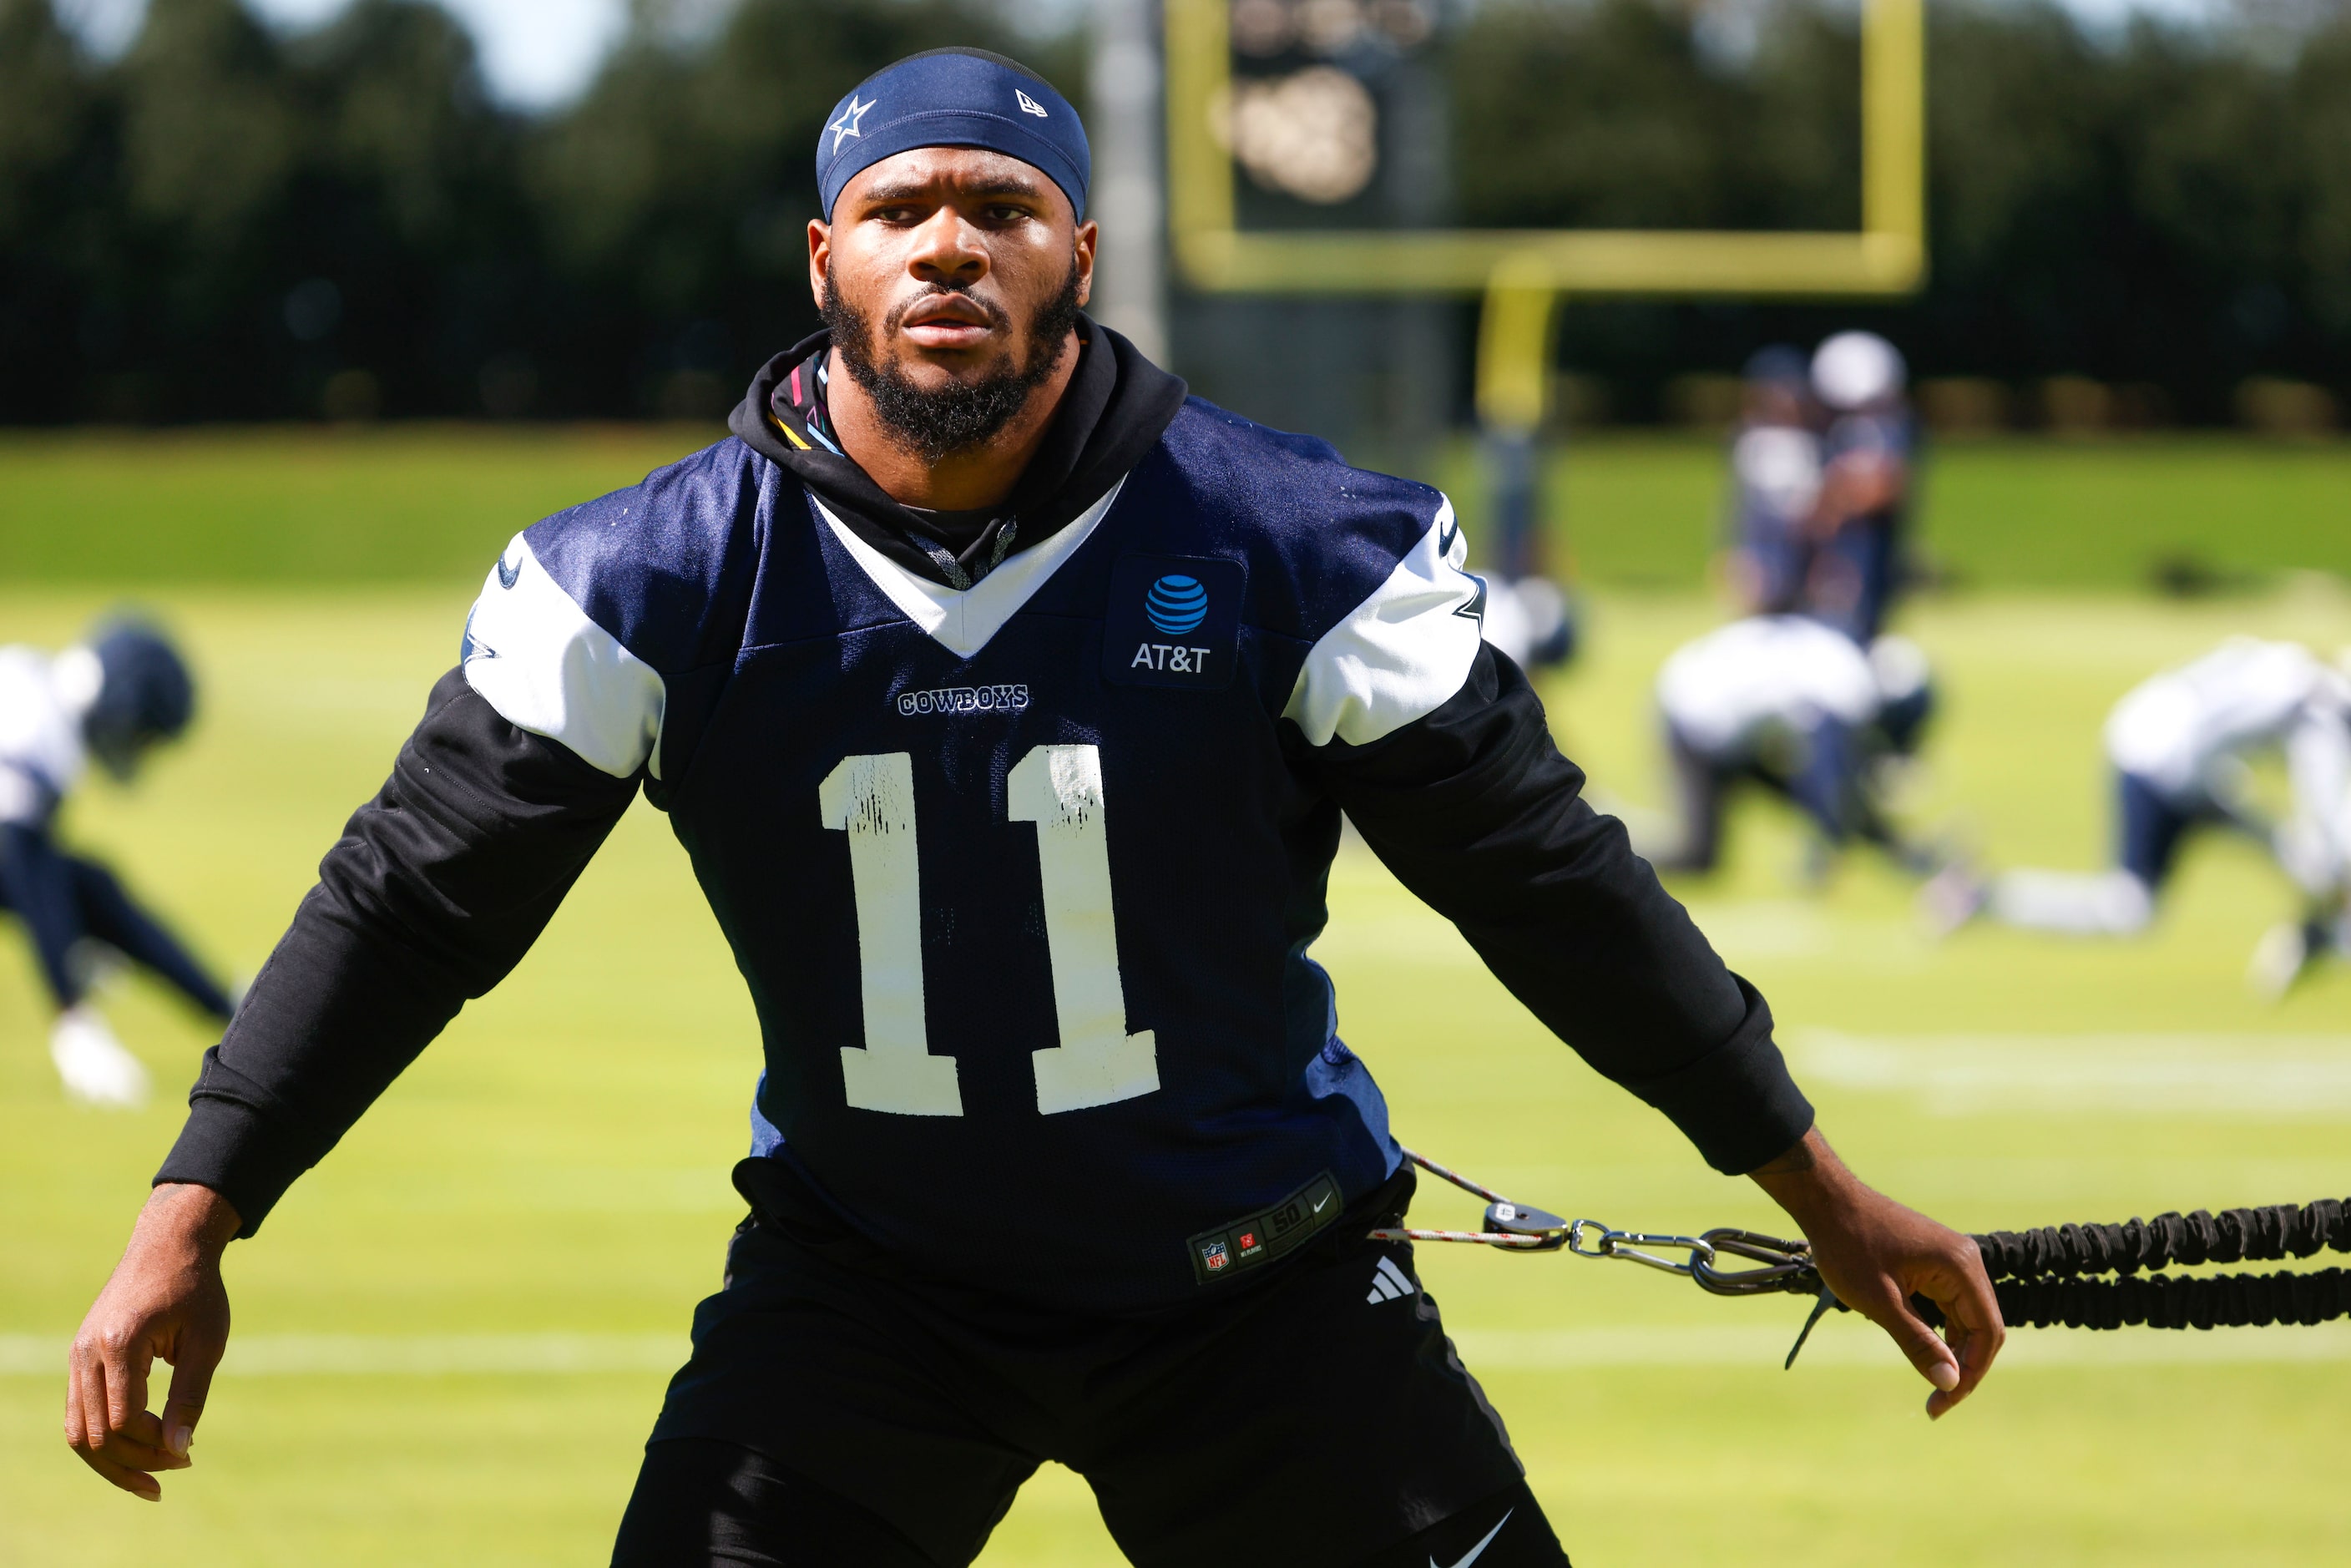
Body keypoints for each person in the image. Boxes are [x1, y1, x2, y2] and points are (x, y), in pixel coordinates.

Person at [66, 49, 2003, 1566]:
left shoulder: (1287, 537)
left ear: (1077, 251)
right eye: (898, 207)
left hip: (1255, 1286)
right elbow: (416, 900)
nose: (949, 243)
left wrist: (1804, 1180)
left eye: (1003, 205)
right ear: (823, 257)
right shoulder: (648, 576)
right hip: (871, 1288)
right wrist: (193, 1210)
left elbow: (1542, 876)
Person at [1926, 638, 2351, 997]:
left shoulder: (2287, 662)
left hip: (2154, 739)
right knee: (2131, 909)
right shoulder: (2321, 714)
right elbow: (2325, 817)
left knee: (2297, 856)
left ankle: (2318, 938)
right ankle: (2322, 939)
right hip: (2169, 768)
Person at [0, 619, 236, 1108]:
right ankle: (233, 1012)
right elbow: (22, 866)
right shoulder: (35, 722)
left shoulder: (31, 688)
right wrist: (72, 1017)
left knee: (91, 888)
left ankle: (234, 1010)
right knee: (74, 890)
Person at [1649, 615, 1938, 879]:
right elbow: (1832, 784)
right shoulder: (1850, 689)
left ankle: (1905, 855)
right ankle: (1612, 853)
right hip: (1694, 717)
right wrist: (1829, 845)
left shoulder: (1842, 653)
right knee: (1697, 856)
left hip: (1720, 714)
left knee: (1829, 797)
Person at [1803, 331, 1915, 645]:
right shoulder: (1830, 431)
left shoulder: (1891, 427)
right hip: (1832, 561)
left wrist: (1837, 496)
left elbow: (1883, 487)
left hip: (1869, 558)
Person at [1722, 346, 1823, 620]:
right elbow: (1742, 506)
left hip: (1806, 551)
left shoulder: (1815, 441)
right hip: (1763, 550)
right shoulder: (1752, 440)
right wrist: (1736, 555)